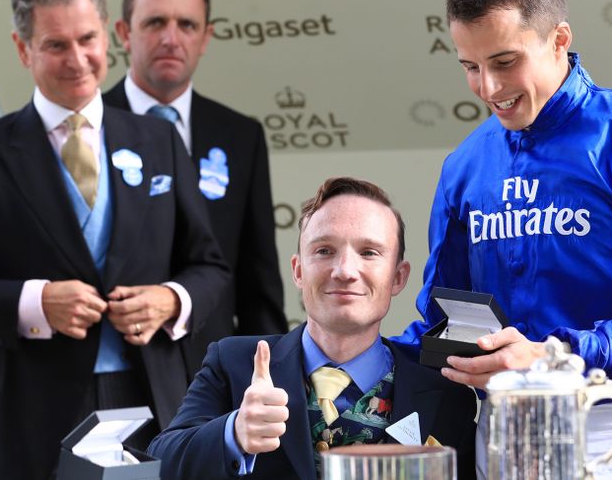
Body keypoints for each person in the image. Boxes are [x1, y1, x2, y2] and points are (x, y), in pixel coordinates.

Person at [392, 0, 612, 479]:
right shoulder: (465, 165)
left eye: (504, 62)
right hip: (499, 437)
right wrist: (335, 357)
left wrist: (552, 357)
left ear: (559, 40)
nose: (488, 88)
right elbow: (444, 326)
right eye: (470, 68)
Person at [0, 0, 230, 479]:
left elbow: (210, 267)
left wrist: (171, 299)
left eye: (87, 38)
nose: (77, 59)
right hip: (39, 410)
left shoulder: (158, 141)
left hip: (156, 400)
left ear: (106, 36)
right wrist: (34, 302)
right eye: (56, 44)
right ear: (22, 49)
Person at [148, 177, 477, 479]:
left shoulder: (445, 392)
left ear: (398, 277)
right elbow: (160, 462)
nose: (345, 270)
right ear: (298, 270)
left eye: (369, 252)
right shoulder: (233, 363)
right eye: (324, 251)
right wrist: (233, 433)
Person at [104, 0, 287, 376]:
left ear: (206, 37)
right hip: (117, 369)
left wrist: (271, 378)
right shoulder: (87, 128)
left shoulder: (240, 135)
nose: (171, 38)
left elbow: (259, 282)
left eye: (187, 25)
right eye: (155, 22)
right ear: (122, 33)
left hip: (213, 373)